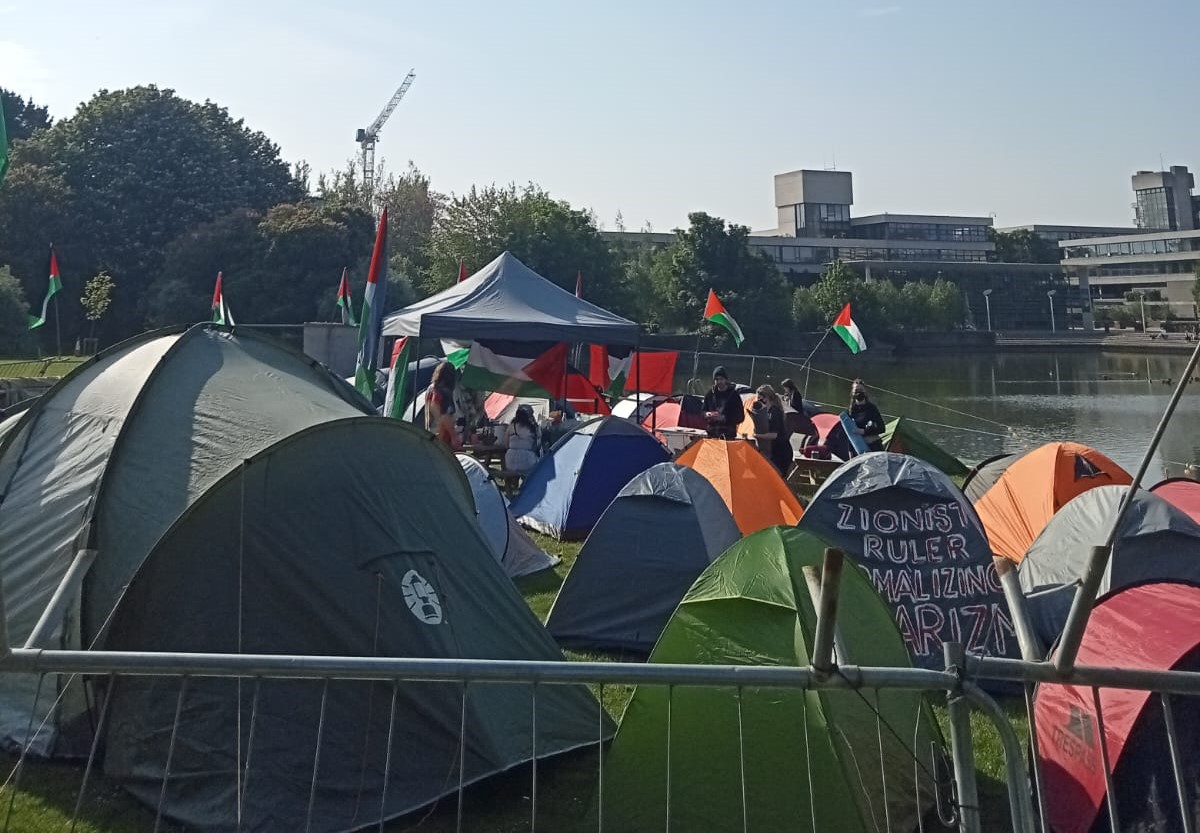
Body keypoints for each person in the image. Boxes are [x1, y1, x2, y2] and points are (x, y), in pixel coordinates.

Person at [752, 384, 793, 476]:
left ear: (766, 398)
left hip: (781, 452)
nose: (758, 400)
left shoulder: (775, 412)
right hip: (773, 450)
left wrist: (757, 436)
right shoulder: (766, 412)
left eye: (760, 398)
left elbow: (774, 435)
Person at [425, 361, 461, 450]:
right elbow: (445, 415)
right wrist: (454, 436)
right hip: (442, 438)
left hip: (430, 434)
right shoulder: (445, 392)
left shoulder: (430, 389)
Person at [702, 366, 745, 440]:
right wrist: (707, 414)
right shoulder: (709, 394)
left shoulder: (734, 395)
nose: (719, 382)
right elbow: (702, 411)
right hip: (712, 434)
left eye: (721, 379)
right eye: (716, 379)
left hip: (728, 434)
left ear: (726, 380)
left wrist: (725, 418)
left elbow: (740, 417)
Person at [848, 379, 885, 452]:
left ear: (865, 392)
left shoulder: (871, 408)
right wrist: (850, 454)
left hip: (874, 447)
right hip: (858, 450)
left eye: (861, 390)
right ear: (852, 392)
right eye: (856, 390)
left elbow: (882, 428)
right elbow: (849, 434)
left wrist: (864, 431)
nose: (858, 392)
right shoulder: (849, 411)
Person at [504, 404, 541, 474]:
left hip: (510, 461)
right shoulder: (534, 428)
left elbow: (505, 444)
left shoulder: (512, 426)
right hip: (528, 461)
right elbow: (537, 446)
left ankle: (511, 484)